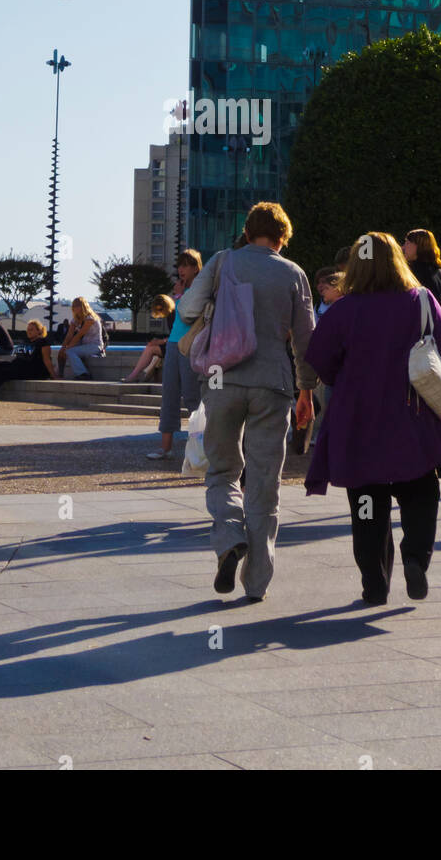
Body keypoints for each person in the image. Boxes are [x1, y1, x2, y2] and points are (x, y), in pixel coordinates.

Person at [302, 232, 441, 606]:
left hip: (358, 421)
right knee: (420, 492)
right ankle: (415, 557)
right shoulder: (422, 301)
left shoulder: (343, 310)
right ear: (398, 261)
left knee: (367, 506)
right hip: (414, 415)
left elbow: (321, 361)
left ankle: (375, 583)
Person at [178, 202, 317, 603]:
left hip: (223, 378)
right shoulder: (293, 274)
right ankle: (256, 583)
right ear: (282, 235)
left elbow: (187, 309)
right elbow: (306, 338)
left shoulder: (223, 262)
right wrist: (306, 389)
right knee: (264, 481)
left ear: (248, 229)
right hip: (273, 382)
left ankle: (228, 539)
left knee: (222, 471)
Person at [147, 249, 203, 460]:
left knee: (192, 395)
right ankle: (165, 447)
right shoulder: (180, 289)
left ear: (196, 267)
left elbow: (190, 317)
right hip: (172, 344)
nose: (181, 270)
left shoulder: (200, 289)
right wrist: (176, 297)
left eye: (186, 265)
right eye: (180, 265)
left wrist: (179, 297)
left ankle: (200, 447)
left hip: (190, 346)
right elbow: (173, 322)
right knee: (169, 394)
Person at [0, 319, 54, 400]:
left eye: (31, 330)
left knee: (2, 372)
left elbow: (47, 360)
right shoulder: (26, 342)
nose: (29, 332)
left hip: (32, 370)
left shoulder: (43, 342)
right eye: (28, 330)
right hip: (18, 366)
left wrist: (54, 376)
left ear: (39, 331)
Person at [310, 268, 342, 445]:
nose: (322, 289)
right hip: (328, 369)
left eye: (327, 286)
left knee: (331, 405)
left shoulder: (341, 310)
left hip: (336, 370)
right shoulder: (320, 306)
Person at [123, 295, 175, 382]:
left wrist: (160, 341)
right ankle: (136, 375)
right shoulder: (171, 314)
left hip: (177, 345)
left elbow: (176, 335)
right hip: (173, 343)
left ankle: (134, 375)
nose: (159, 313)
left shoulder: (173, 315)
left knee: (151, 349)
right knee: (150, 347)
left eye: (160, 310)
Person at [402, 229, 441, 314]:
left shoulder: (411, 272)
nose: (403, 247)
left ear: (419, 246)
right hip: (436, 324)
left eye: (407, 243)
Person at [58, 298, 105, 379]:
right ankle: (59, 373)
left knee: (70, 351)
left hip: (95, 346)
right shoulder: (75, 320)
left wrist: (67, 348)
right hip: (84, 345)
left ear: (83, 306)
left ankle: (83, 374)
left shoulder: (90, 318)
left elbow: (79, 335)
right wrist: (62, 348)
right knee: (63, 352)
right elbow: (69, 336)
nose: (74, 308)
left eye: (77, 306)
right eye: (73, 306)